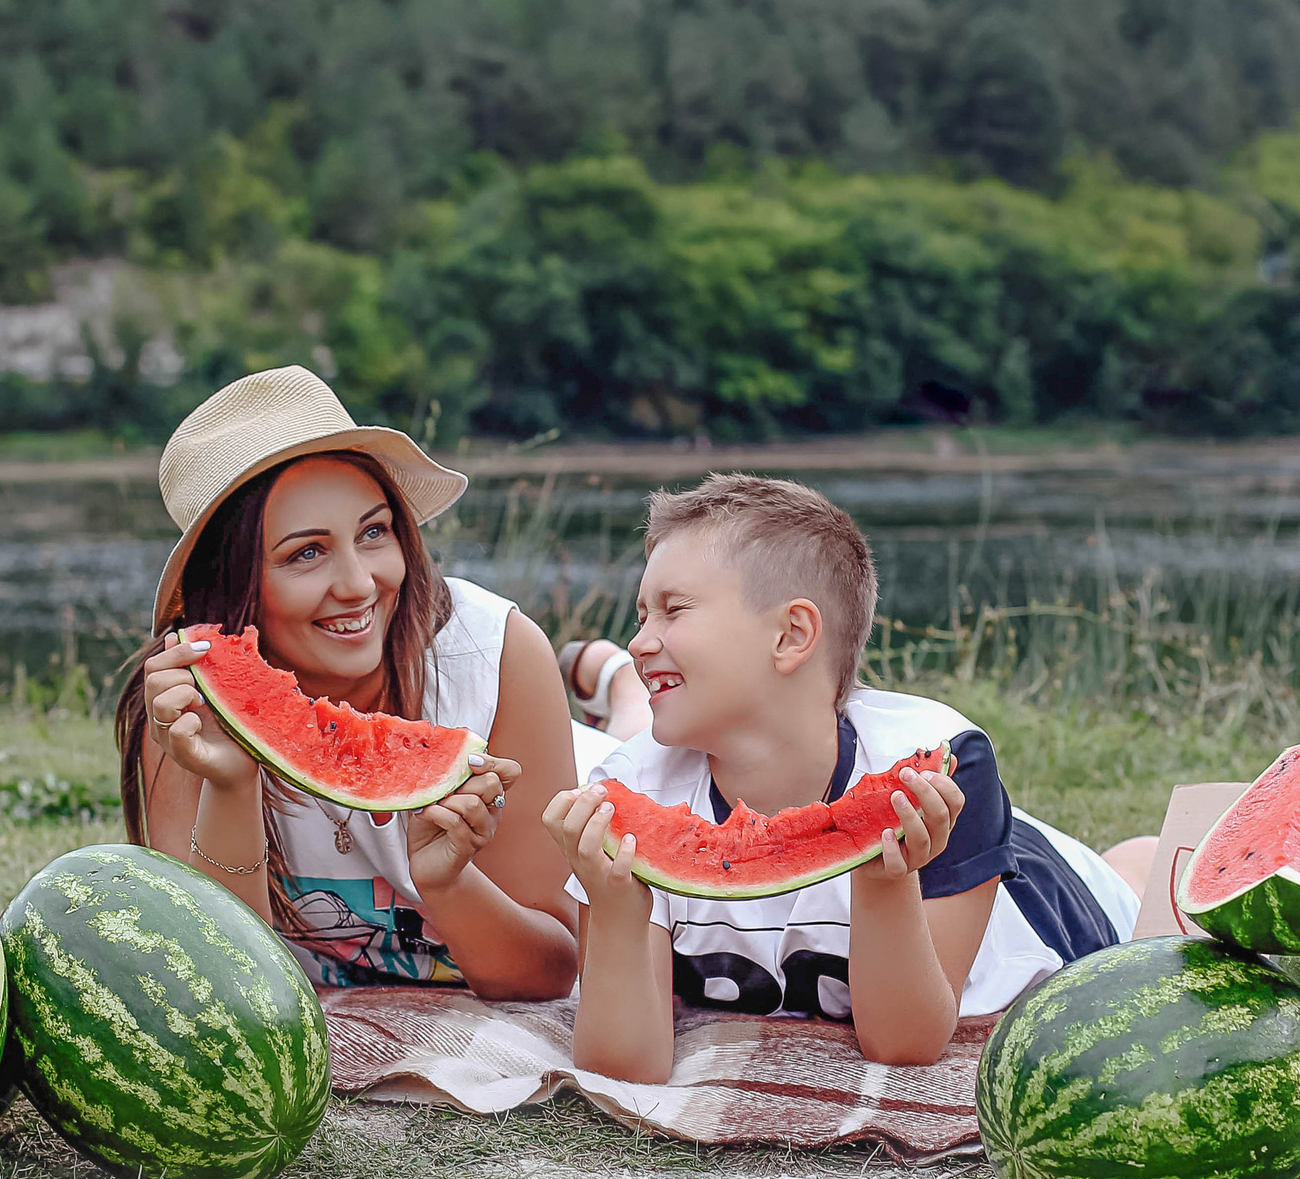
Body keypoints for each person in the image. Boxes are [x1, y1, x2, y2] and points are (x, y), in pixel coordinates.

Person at [543, 474, 1150, 1083]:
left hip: (1043, 899)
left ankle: (1133, 861)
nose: (641, 639)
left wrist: (886, 883)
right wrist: (616, 911)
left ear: (791, 635)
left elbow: (904, 1045)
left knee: (1136, 883)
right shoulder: (630, 791)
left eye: (673, 610)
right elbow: (623, 1066)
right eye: (641, 616)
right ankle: (618, 685)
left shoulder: (937, 766)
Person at [116, 366, 579, 999]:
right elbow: (225, 988)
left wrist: (448, 884)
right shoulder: (187, 701)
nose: (360, 584)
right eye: (306, 553)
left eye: (373, 532)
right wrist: (232, 783)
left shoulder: (497, 655)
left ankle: (608, 677)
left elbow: (552, 971)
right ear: (232, 585)